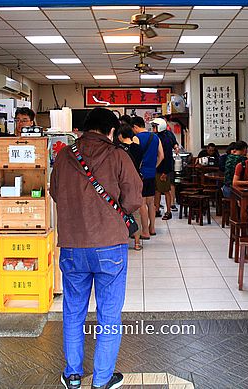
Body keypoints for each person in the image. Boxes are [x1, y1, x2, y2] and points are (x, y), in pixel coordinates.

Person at [50, 108, 142, 389]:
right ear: (111, 131)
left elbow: (55, 192)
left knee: (74, 311)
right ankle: (102, 380)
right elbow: (134, 197)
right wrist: (114, 214)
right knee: (109, 313)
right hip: (109, 245)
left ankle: (73, 375)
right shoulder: (118, 156)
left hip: (73, 245)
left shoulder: (65, 155)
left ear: (84, 128)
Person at [131, 116, 163, 237]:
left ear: (135, 127)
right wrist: (154, 167)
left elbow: (135, 158)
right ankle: (152, 228)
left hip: (141, 174)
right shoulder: (155, 137)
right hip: (151, 174)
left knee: (142, 203)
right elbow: (162, 155)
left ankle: (145, 231)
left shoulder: (136, 138)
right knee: (151, 203)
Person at [115, 125, 144, 251]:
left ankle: (123, 242)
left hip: (120, 182)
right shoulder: (138, 148)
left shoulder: (117, 150)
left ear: (121, 136)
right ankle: (137, 243)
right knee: (135, 211)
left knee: (120, 211)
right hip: (135, 180)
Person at [151, 118, 178, 220]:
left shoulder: (165, 138)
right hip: (158, 168)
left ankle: (168, 212)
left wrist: (165, 172)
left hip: (163, 168)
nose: (153, 128)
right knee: (157, 190)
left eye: (154, 126)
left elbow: (166, 156)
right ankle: (157, 210)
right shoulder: (159, 136)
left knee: (166, 191)